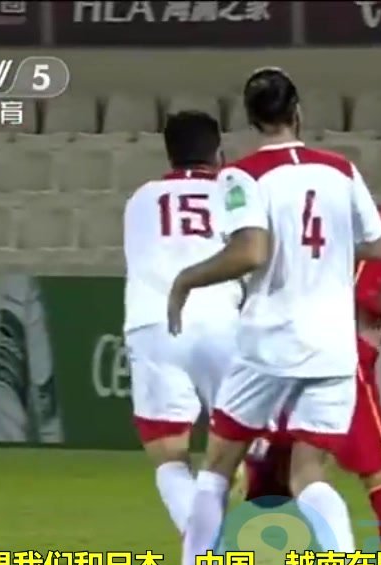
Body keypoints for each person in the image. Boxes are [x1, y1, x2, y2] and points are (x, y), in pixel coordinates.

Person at [167, 66, 381, 565]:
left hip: (270, 343)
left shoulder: (241, 175)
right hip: (333, 345)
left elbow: (251, 251)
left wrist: (187, 279)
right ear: (298, 112)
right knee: (308, 473)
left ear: (251, 119)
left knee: (217, 467)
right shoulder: (340, 170)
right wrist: (330, 254)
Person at [243, 155, 381, 565]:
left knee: (282, 470)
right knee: (376, 477)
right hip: (344, 364)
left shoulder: (365, 223)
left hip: (293, 352)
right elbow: (363, 293)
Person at [121, 111, 241, 541]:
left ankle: (205, 548)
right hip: (221, 322)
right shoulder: (235, 193)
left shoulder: (140, 200)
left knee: (168, 452)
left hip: (154, 324)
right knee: (247, 445)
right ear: (218, 152)